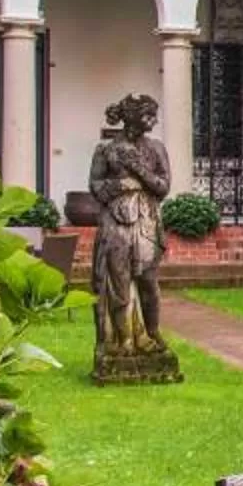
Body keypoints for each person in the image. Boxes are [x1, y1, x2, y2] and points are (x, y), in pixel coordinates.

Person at [90, 92, 171, 364]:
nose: (153, 121)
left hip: (146, 219)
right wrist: (119, 186)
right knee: (118, 281)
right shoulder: (106, 149)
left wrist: (139, 170)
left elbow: (163, 187)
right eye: (148, 115)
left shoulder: (156, 148)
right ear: (133, 117)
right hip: (116, 222)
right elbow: (95, 186)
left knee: (148, 280)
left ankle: (152, 332)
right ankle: (121, 339)